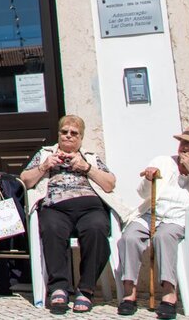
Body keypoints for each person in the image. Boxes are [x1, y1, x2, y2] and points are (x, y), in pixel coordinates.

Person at [116, 125, 189, 319]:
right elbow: (143, 194)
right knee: (129, 237)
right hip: (152, 213)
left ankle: (169, 293)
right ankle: (129, 292)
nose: (186, 148)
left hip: (180, 218)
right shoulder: (162, 161)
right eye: (184, 142)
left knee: (163, 236)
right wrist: (149, 180)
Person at [20, 115, 120, 314]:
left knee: (97, 229)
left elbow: (110, 184)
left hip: (90, 208)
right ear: (58, 134)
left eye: (74, 133)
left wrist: (86, 168)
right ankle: (59, 287)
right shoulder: (45, 154)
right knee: (52, 228)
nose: (68, 136)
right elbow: (25, 180)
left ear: (81, 138)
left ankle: (86, 289)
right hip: (55, 207)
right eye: (64, 132)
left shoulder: (90, 157)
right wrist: (44, 166)